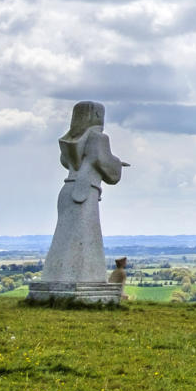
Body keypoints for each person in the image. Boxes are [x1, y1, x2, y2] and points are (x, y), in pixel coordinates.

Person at [37, 101, 128, 288]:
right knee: (85, 237)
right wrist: (118, 163)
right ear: (96, 115)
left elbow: (67, 162)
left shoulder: (70, 141)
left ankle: (58, 277)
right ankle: (85, 279)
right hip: (85, 191)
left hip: (68, 189)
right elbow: (104, 164)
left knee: (64, 237)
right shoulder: (98, 138)